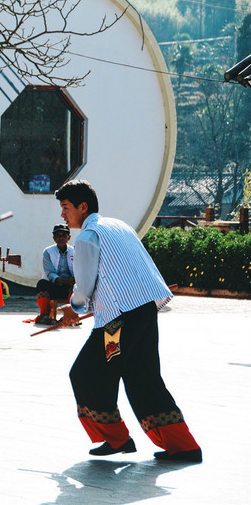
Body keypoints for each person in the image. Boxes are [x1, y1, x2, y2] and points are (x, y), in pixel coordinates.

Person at [55, 179, 201, 463]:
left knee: (86, 373)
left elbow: (84, 288)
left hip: (117, 321)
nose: (63, 215)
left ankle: (116, 439)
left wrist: (72, 308)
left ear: (82, 207)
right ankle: (183, 446)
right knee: (143, 377)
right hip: (145, 310)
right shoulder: (119, 226)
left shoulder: (86, 237)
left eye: (66, 207)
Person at [34, 223, 75, 325]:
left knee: (76, 286)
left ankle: (71, 314)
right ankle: (45, 315)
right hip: (53, 285)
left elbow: (78, 269)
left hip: (68, 287)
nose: (61, 238)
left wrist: (74, 279)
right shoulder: (47, 252)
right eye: (58, 236)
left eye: (64, 236)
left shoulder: (74, 251)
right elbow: (49, 272)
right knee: (42, 283)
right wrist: (65, 280)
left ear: (69, 237)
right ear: (54, 238)